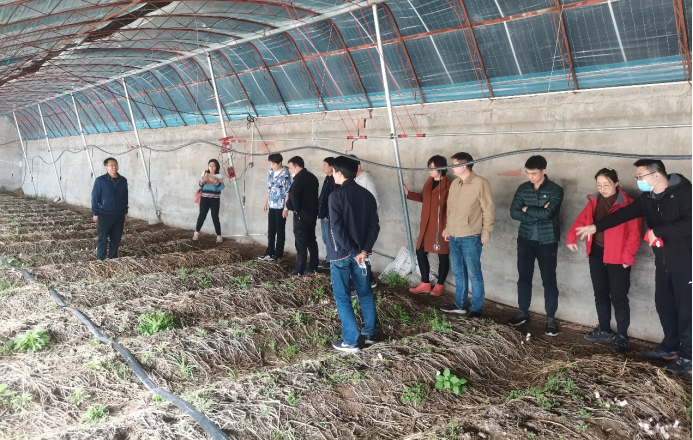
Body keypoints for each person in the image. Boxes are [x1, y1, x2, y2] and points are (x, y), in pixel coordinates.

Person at [576, 160, 692, 376]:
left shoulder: (685, 192)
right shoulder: (648, 197)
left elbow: (689, 223)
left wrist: (657, 231)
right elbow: (625, 213)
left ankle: (688, 357)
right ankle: (671, 347)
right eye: (637, 177)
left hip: (686, 262)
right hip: (664, 261)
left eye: (640, 176)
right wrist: (596, 226)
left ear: (656, 175)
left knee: (687, 310)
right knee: (664, 305)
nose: (638, 181)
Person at [566, 168, 642, 353]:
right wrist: (571, 237)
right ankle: (604, 329)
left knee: (619, 296)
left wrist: (628, 257)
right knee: (600, 293)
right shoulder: (594, 201)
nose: (602, 189)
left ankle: (622, 336)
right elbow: (581, 220)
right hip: (597, 253)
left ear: (616, 184)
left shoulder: (629, 205)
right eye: (599, 185)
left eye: (606, 185)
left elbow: (634, 234)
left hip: (618, 257)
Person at [327, 156, 380, 352]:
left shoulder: (336, 196)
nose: (332, 175)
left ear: (340, 173)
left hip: (341, 255)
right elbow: (374, 227)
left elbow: (337, 229)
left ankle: (350, 340)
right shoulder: (367, 196)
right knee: (365, 293)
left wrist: (354, 251)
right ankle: (369, 334)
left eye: (333, 172)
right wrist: (363, 251)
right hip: (361, 256)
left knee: (343, 297)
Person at [509, 155, 564, 336]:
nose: (530, 177)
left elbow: (549, 214)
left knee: (549, 280)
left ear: (544, 171)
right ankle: (522, 313)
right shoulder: (523, 188)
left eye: (533, 173)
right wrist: (537, 213)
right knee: (524, 277)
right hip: (525, 238)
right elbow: (513, 212)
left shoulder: (556, 190)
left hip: (547, 241)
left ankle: (550, 319)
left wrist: (526, 209)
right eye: (527, 173)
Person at [440, 152, 495, 318]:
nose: (451, 168)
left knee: (474, 273)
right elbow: (451, 209)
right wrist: (448, 228)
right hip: (454, 235)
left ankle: (476, 308)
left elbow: (488, 210)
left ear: (463, 166)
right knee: (458, 272)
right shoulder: (455, 184)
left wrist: (486, 232)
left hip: (471, 236)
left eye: (454, 165)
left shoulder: (480, 183)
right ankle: (460, 304)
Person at [403, 155, 452, 297]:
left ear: (441, 168)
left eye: (432, 167)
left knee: (443, 255)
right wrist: (409, 193)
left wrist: (448, 227)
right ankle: (425, 283)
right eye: (429, 167)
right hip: (426, 225)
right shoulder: (429, 182)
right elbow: (424, 198)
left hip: (441, 226)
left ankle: (440, 285)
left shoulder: (449, 186)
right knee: (420, 251)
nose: (430, 170)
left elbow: (451, 209)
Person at [285, 156, 320, 276]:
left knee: (301, 244)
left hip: (301, 216)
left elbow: (294, 195)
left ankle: (299, 271)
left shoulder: (299, 179)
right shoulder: (313, 177)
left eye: (290, 168)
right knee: (311, 240)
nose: (289, 170)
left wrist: (296, 210)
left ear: (297, 167)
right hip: (311, 215)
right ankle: (313, 267)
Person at [349, 154, 379, 289]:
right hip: (356, 221)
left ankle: (367, 282)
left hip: (364, 221)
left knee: (363, 251)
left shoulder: (366, 179)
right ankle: (366, 280)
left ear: (358, 166)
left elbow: (375, 202)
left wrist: (364, 218)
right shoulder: (354, 179)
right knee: (358, 251)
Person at [91, 157, 128, 261]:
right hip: (104, 214)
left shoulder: (123, 180)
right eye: (111, 165)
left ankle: (113, 257)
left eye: (115, 164)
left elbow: (125, 197)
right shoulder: (100, 180)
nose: (114, 167)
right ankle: (100, 259)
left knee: (116, 238)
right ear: (106, 167)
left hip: (119, 214)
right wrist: (95, 213)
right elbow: (94, 197)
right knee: (102, 238)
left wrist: (125, 211)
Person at [259, 153, 291, 262]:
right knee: (271, 230)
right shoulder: (271, 172)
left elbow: (287, 192)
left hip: (281, 206)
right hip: (272, 204)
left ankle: (278, 254)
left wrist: (286, 208)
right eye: (270, 164)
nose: (271, 166)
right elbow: (269, 188)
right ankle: (269, 252)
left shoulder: (285, 174)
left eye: (273, 164)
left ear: (280, 163)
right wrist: (266, 203)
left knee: (280, 230)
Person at [193, 159, 225, 243]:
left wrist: (215, 181)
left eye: (213, 166)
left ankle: (219, 236)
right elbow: (200, 184)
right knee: (202, 216)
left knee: (215, 217)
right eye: (210, 165)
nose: (211, 167)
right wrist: (202, 182)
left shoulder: (219, 176)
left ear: (216, 167)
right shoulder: (205, 173)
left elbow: (222, 187)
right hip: (205, 198)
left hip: (215, 199)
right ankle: (196, 233)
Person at [318, 157, 336, 270]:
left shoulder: (335, 180)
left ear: (332, 167)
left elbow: (333, 199)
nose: (323, 167)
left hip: (328, 216)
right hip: (323, 214)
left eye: (325, 165)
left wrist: (328, 214)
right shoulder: (327, 179)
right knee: (325, 237)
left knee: (329, 238)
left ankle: (331, 260)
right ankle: (329, 258)